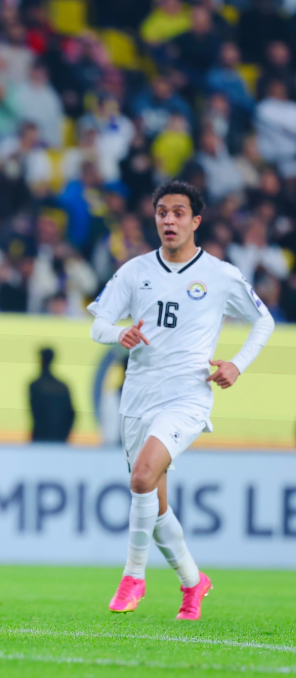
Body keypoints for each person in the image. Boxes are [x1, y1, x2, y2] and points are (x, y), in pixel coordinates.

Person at [88, 180, 275, 620]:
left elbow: (263, 321)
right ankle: (193, 582)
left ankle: (133, 577)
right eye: (162, 213)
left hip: (187, 396)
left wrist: (237, 364)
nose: (168, 220)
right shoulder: (135, 271)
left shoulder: (220, 275)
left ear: (196, 221)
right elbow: (98, 325)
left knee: (141, 478)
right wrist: (119, 334)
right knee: (154, 504)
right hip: (138, 397)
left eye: (178, 213)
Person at [28, 348, 75, 442]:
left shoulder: (35, 385)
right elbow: (71, 414)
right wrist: (64, 435)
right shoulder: (62, 386)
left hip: (41, 437)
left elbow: (36, 413)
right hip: (58, 437)